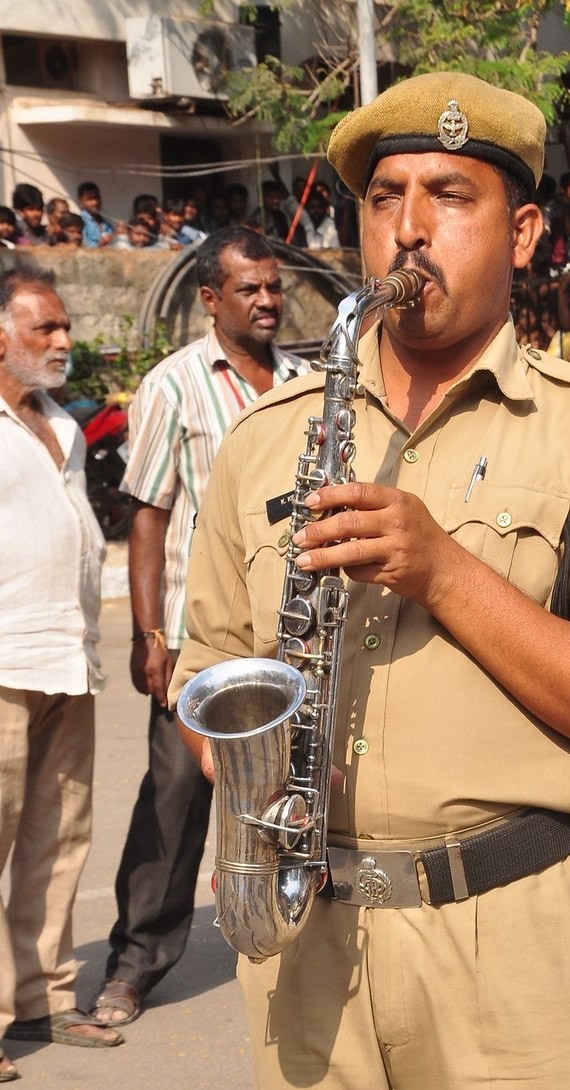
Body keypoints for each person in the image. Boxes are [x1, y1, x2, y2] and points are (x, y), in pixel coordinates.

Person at [171, 72, 570, 1090]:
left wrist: (446, 574)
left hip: (510, 940)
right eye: (384, 198)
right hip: (308, 940)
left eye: (449, 195)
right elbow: (208, 682)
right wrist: (257, 768)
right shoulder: (268, 435)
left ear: (519, 229)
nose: (409, 225)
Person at [90, 227, 310, 1028]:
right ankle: (135, 962)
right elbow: (146, 515)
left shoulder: (305, 382)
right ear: (211, 300)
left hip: (288, 636)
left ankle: (287, 927)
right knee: (179, 796)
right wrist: (151, 637)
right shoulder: (174, 386)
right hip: (198, 638)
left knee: (294, 787)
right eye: (247, 289)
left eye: (273, 286)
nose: (266, 300)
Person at [0, 265, 124, 1083]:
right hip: (2, 660)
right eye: (44, 328)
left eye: (64, 326)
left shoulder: (65, 428)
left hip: (68, 656)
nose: (62, 342)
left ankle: (43, 998)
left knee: (59, 837)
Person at [77, 182, 113, 247]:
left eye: (97, 198)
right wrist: (100, 244)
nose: (95, 202)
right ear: (81, 202)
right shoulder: (80, 222)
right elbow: (84, 246)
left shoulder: (104, 222)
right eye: (89, 199)